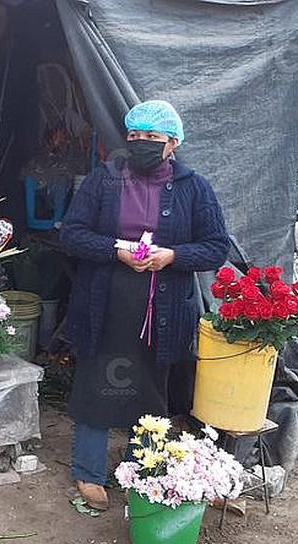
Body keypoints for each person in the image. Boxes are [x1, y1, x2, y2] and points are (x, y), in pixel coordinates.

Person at [59, 100, 229, 510]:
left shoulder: (193, 188)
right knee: (96, 384)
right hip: (105, 304)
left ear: (173, 143)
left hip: (164, 310)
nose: (141, 143)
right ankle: (90, 472)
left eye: (152, 138)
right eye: (134, 136)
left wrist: (172, 256)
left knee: (150, 391)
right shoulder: (104, 181)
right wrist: (115, 249)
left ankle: (139, 470)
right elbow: (72, 234)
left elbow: (215, 247)